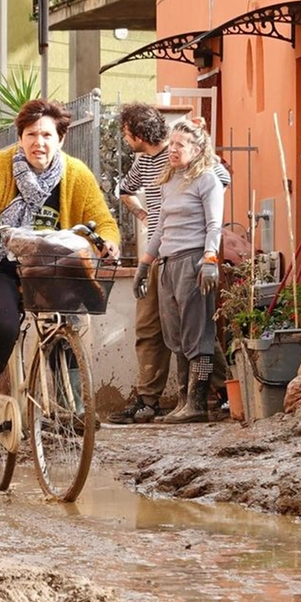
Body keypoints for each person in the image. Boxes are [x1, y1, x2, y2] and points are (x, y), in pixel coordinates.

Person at [0, 98, 120, 452]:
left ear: (61, 138)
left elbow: (103, 219)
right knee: (2, 327)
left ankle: (73, 404)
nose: (39, 142)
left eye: (47, 134)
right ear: (20, 137)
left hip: (48, 266)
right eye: (31, 134)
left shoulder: (76, 173)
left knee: (70, 319)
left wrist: (108, 241)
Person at [143, 118, 231, 424]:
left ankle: (197, 402)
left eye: (180, 144)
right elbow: (161, 227)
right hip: (167, 264)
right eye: (172, 143)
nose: (173, 149)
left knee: (199, 336)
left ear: (196, 148)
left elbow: (214, 225)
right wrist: (145, 263)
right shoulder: (170, 181)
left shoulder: (208, 180)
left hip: (194, 262)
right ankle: (183, 401)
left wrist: (209, 259)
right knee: (177, 337)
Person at [108, 103, 173, 425]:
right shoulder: (144, 161)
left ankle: (213, 394)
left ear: (136, 133)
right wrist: (144, 215)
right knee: (148, 326)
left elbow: (220, 179)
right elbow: (124, 190)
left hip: (182, 251)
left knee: (188, 328)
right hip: (155, 252)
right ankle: (148, 401)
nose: (124, 138)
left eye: (125, 132)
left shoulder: (178, 153)